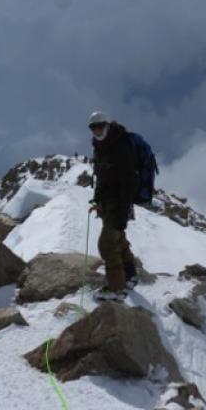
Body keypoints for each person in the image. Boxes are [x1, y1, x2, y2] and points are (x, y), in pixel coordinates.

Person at [87, 111, 139, 302]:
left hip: (119, 204)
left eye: (100, 126)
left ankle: (116, 289)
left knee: (107, 244)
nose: (97, 130)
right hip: (107, 204)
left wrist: (123, 211)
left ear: (107, 125)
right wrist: (96, 200)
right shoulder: (100, 147)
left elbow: (130, 181)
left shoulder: (120, 146)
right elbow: (101, 178)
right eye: (93, 128)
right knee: (119, 240)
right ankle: (131, 276)